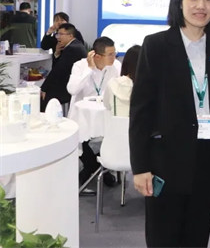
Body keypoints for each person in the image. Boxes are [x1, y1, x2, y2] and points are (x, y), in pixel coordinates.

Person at [129, 0, 210, 247]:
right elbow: (141, 110)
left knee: (197, 240)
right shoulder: (156, 45)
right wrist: (140, 167)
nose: (201, 5)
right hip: (166, 163)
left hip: (207, 162)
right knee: (163, 240)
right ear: (179, 1)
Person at [67, 36, 121, 187]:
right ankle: (95, 168)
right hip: (83, 116)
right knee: (83, 140)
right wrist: (89, 70)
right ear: (96, 56)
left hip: (105, 114)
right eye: (110, 54)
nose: (114, 57)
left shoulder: (116, 66)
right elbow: (72, 89)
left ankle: (92, 169)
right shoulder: (80, 66)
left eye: (114, 53)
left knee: (109, 139)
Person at [40, 23, 87, 112]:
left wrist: (44, 88)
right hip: (68, 82)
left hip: (68, 87)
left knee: (43, 97)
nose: (58, 37)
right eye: (57, 34)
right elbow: (59, 67)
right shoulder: (76, 45)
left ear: (70, 36)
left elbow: (57, 70)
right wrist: (57, 53)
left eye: (61, 34)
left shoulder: (72, 48)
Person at [102, 45, 141, 117]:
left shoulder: (113, 83)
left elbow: (106, 105)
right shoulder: (148, 86)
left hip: (116, 123)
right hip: (138, 124)